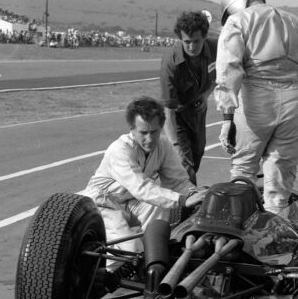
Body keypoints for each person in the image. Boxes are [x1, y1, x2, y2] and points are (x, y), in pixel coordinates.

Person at [213, 0, 298, 216]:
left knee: (243, 169)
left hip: (256, 97)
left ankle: (239, 224)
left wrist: (226, 117)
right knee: (280, 180)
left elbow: (227, 69)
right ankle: (275, 230)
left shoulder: (238, 21)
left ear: (237, 3)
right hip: (295, 99)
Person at [80, 97, 207, 252]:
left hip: (131, 203)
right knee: (131, 248)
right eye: (143, 133)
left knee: (159, 210)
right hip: (103, 206)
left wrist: (195, 194)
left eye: (154, 132)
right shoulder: (120, 149)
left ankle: (154, 256)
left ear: (161, 127)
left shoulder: (163, 144)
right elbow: (140, 187)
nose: (150, 139)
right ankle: (114, 270)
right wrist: (183, 200)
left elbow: (178, 181)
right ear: (132, 129)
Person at [159, 11, 217, 184]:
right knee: (185, 165)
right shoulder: (170, 62)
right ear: (180, 39)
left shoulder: (217, 48)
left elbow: (221, 75)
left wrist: (206, 95)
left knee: (197, 156)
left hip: (198, 112)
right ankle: (187, 206)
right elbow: (168, 109)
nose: (192, 47)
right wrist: (175, 145)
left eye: (196, 41)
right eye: (187, 42)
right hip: (177, 116)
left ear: (204, 37)